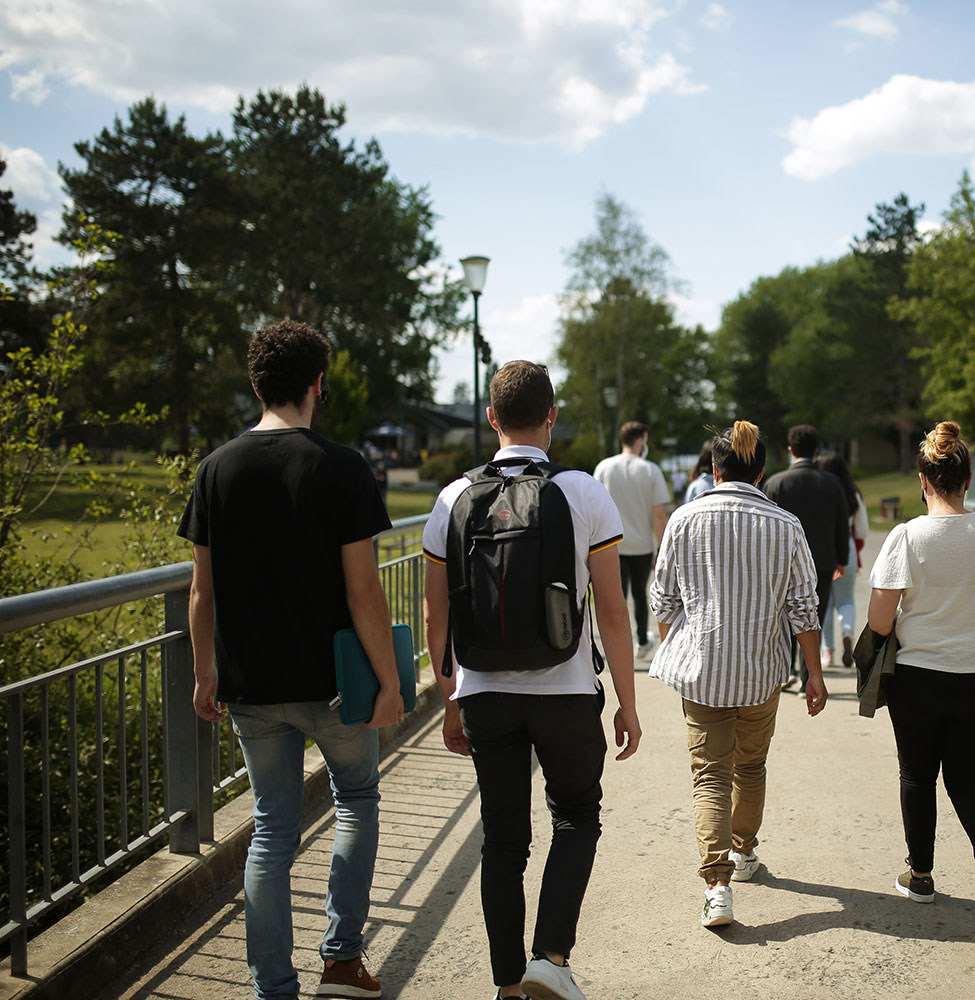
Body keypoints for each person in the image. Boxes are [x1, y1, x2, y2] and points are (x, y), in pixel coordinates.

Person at [178, 319, 403, 1000]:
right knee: (357, 799)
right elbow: (363, 590)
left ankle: (273, 987)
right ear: (317, 383)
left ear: (256, 383)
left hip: (250, 684)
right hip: (334, 684)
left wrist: (205, 672)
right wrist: (389, 683)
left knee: (272, 828)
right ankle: (341, 961)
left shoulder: (215, 469)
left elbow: (200, 591)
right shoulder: (341, 468)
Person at [423, 360, 641, 1000]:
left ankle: (507, 985)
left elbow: (437, 612)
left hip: (484, 689)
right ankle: (550, 957)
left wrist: (449, 698)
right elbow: (610, 609)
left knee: (504, 841)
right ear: (552, 417)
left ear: (492, 418)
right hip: (567, 690)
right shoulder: (582, 492)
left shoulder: (453, 498)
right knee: (575, 819)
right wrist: (627, 702)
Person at [647, 420, 827, 929]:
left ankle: (717, 886)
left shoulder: (685, 520)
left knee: (710, 775)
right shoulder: (786, 525)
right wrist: (814, 674)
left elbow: (663, 600)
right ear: (763, 471)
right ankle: (745, 855)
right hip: (762, 673)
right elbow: (803, 608)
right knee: (750, 768)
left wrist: (677, 645)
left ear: (713, 468)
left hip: (702, 671)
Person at [866, 420, 975, 931]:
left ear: (923, 480)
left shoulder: (906, 537)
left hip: (920, 680)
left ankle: (922, 876)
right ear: (968, 478)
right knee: (970, 779)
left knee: (917, 776)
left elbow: (880, 622)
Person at [762, 425, 849, 690]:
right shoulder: (832, 483)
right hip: (821, 560)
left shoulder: (776, 483)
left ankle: (784, 669)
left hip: (782, 561)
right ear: (816, 451)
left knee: (783, 615)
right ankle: (805, 676)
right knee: (814, 616)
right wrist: (842, 559)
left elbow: (764, 525)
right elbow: (841, 524)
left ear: (790, 451)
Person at [593, 421, 671, 657]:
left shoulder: (604, 468)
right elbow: (658, 513)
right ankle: (642, 640)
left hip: (611, 544)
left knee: (617, 596)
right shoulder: (650, 470)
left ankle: (618, 641)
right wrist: (662, 546)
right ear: (639, 441)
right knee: (640, 593)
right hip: (641, 545)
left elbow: (595, 505)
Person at [816, 452, 868, 668]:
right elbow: (863, 530)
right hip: (846, 548)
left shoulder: (819, 491)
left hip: (824, 548)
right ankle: (847, 632)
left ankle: (828, 653)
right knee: (846, 601)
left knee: (825, 605)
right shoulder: (853, 493)